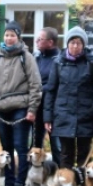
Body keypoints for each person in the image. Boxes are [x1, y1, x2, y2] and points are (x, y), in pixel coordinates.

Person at [0, 21, 42, 186]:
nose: (9, 38)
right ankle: (8, 185)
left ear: (18, 37)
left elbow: (35, 84)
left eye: (12, 35)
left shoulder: (26, 57)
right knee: (6, 149)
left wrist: (32, 109)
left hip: (20, 109)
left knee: (20, 148)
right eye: (7, 35)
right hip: (0, 109)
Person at [44, 26, 93, 186]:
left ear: (84, 45)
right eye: (72, 43)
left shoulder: (92, 64)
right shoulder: (58, 63)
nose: (75, 46)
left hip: (86, 113)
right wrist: (48, 116)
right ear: (67, 44)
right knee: (65, 155)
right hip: (63, 114)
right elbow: (51, 90)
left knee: (84, 154)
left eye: (78, 43)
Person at [35, 27, 62, 166]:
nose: (36, 41)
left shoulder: (59, 60)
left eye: (40, 39)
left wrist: (39, 89)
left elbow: (55, 85)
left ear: (50, 42)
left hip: (54, 108)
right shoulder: (37, 58)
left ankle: (61, 176)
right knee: (36, 145)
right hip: (38, 108)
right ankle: (36, 178)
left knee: (57, 146)